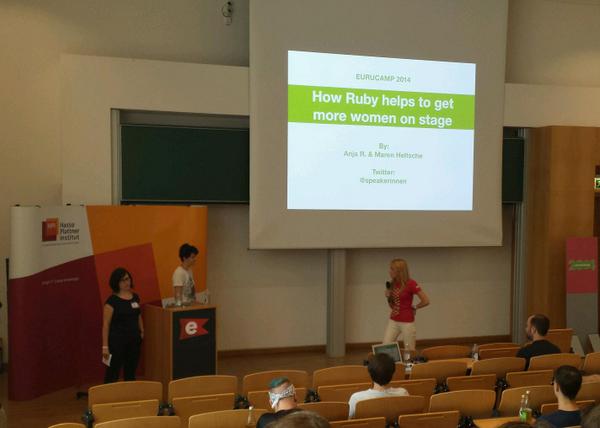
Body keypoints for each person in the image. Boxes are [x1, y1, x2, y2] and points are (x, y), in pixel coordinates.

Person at [102, 268, 144, 383]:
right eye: (122, 280)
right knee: (112, 373)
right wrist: (105, 347)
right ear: (116, 283)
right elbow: (106, 325)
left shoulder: (135, 297)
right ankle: (108, 394)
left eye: (127, 279)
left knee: (131, 372)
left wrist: (142, 331)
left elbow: (138, 315)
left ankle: (129, 393)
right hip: (117, 343)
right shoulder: (111, 301)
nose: (126, 282)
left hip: (134, 341)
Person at [382, 258, 429, 351]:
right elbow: (392, 306)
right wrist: (388, 297)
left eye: (392, 269)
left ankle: (408, 361)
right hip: (393, 320)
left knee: (409, 350)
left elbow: (426, 300)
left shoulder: (411, 283)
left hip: (407, 322)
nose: (389, 271)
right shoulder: (392, 284)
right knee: (385, 346)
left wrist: (415, 307)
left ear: (399, 271)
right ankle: (392, 361)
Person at [348, 353, 409, 418]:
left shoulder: (356, 399)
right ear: (393, 374)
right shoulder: (403, 393)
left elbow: (348, 420)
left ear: (370, 373)